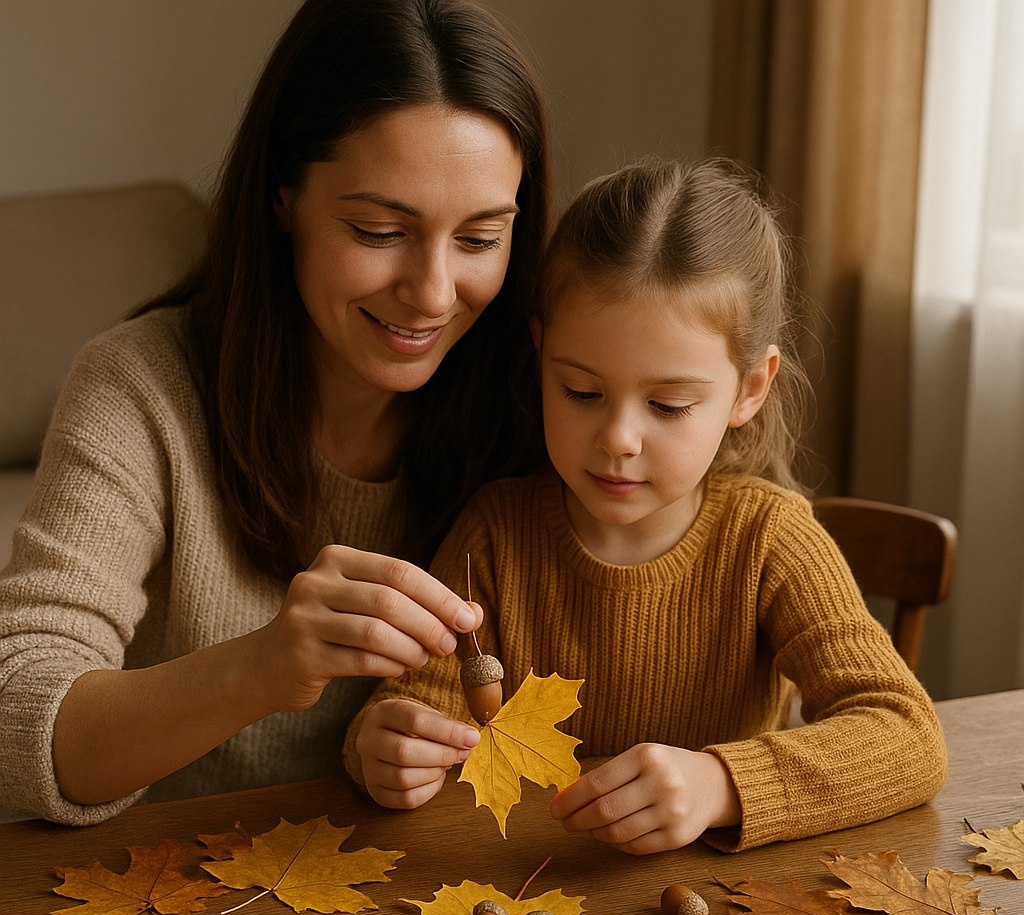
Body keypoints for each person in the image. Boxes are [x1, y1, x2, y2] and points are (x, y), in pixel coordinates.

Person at [0, 0, 550, 825]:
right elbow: (16, 721)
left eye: (479, 240)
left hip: (424, 903)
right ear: (281, 195)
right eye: (377, 230)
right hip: (159, 893)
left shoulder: (549, 401)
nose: (434, 294)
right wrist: (260, 669)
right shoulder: (141, 390)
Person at [344, 156, 948, 854]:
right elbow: (415, 711)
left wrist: (719, 784)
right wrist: (380, 749)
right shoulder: (496, 532)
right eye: (581, 392)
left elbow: (907, 735)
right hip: (527, 897)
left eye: (668, 405)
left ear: (749, 389)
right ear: (541, 353)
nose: (619, 440)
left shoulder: (770, 539)